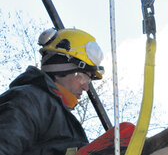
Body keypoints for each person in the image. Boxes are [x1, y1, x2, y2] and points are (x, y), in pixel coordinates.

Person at [0, 28, 134, 155]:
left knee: (126, 135)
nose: (86, 88)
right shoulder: (29, 100)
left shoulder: (61, 119)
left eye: (89, 82)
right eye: (82, 78)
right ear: (59, 71)